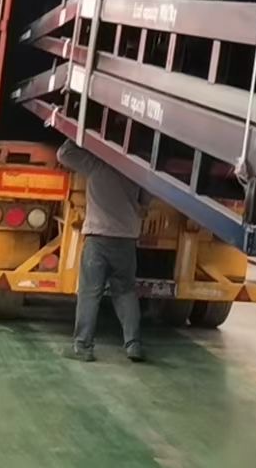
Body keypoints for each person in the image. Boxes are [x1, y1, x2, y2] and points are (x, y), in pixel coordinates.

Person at [56, 138, 149, 363]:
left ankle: (83, 346)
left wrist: (80, 132)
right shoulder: (136, 170)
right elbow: (145, 201)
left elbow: (64, 153)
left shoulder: (96, 165)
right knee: (125, 292)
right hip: (126, 240)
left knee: (90, 292)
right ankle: (134, 345)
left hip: (98, 240)